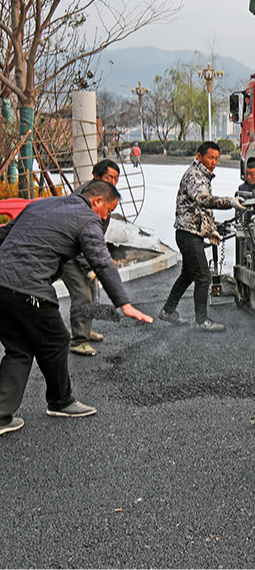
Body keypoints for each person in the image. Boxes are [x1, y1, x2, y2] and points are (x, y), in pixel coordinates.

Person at [0, 181, 152, 437]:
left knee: (20, 348)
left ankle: (2, 415)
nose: (107, 218)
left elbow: (4, 234)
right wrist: (123, 303)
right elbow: (102, 261)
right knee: (57, 339)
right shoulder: (86, 218)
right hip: (28, 287)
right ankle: (61, 401)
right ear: (97, 202)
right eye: (108, 211)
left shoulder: (42, 204)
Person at [158, 141, 246, 332]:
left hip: (191, 233)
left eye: (216, 158)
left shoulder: (203, 176)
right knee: (203, 276)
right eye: (210, 158)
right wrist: (229, 202)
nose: (214, 162)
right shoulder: (194, 176)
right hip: (188, 234)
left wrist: (210, 229)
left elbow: (201, 211)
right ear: (199, 157)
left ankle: (168, 310)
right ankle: (202, 321)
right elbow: (203, 200)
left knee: (188, 274)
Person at [64, 159, 121, 356]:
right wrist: (90, 266)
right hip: (69, 254)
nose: (113, 182)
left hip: (83, 251)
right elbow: (79, 238)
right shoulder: (84, 199)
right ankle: (78, 340)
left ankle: (85, 331)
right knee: (82, 294)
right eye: (108, 178)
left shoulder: (103, 196)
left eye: (116, 178)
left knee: (92, 292)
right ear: (96, 177)